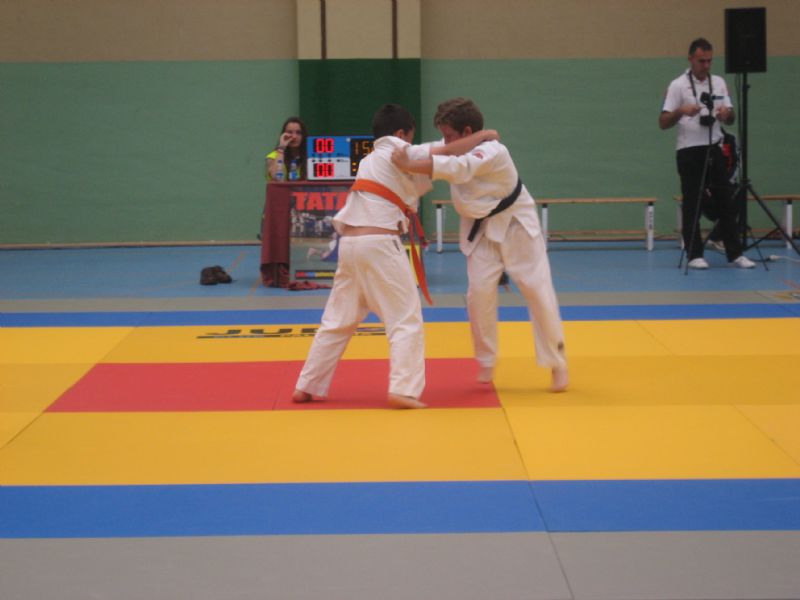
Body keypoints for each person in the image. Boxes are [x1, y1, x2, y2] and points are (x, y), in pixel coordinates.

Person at [291, 104, 498, 409]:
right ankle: (404, 389)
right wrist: (486, 134)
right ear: (401, 134)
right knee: (405, 319)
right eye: (411, 137)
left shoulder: (369, 159)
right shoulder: (398, 148)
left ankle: (307, 385)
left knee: (337, 320)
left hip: (349, 244)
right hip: (379, 243)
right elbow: (448, 150)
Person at [392, 98, 569, 393]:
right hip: (481, 230)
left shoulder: (493, 151)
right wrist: (398, 153)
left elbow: (457, 168)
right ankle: (486, 359)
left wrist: (410, 164)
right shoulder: (454, 146)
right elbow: (421, 152)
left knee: (538, 291)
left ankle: (557, 362)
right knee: (478, 294)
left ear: (467, 131)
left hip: (516, 226)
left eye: (449, 135)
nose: (445, 141)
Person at [659, 38, 755, 270]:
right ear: (691, 58)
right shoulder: (678, 85)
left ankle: (735, 253)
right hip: (689, 150)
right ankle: (694, 254)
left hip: (714, 146)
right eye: (702, 61)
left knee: (726, 201)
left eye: (710, 61)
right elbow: (663, 122)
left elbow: (731, 116)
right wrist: (681, 111)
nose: (706, 65)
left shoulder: (719, 82)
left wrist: (726, 115)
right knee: (692, 202)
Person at [266, 117, 308, 181]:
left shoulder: (310, 157)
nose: (294, 137)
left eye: (298, 133)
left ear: (303, 135)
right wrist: (281, 147)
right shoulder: (273, 156)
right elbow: (276, 177)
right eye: (290, 132)